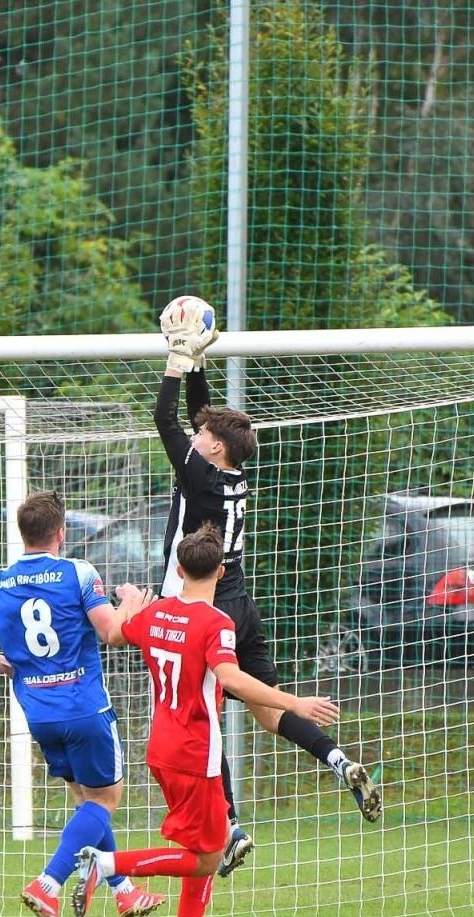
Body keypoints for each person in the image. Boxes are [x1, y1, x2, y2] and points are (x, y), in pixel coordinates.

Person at [155, 303, 381, 879]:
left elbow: (165, 417)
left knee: (199, 713)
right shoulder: (229, 473)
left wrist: (176, 364)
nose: (197, 432)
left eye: (203, 433)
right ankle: (338, 760)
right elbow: (198, 419)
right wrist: (201, 363)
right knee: (265, 711)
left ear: (212, 449)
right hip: (242, 602)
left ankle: (226, 824)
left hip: (207, 607)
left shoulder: (200, 476)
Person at [73, 523, 342, 917]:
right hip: (197, 752)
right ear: (220, 573)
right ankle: (106, 865)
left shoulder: (156, 613)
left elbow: (118, 634)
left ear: (178, 569)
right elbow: (232, 677)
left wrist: (126, 604)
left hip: (161, 747)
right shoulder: (216, 622)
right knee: (209, 857)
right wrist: (294, 702)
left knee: (204, 844)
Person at [0, 489, 164, 917]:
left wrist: (9, 665)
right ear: (60, 533)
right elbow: (112, 633)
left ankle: (123, 889)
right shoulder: (78, 572)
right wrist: (132, 602)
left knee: (86, 802)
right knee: (105, 802)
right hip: (85, 708)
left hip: (39, 714)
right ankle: (48, 884)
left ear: (22, 533)